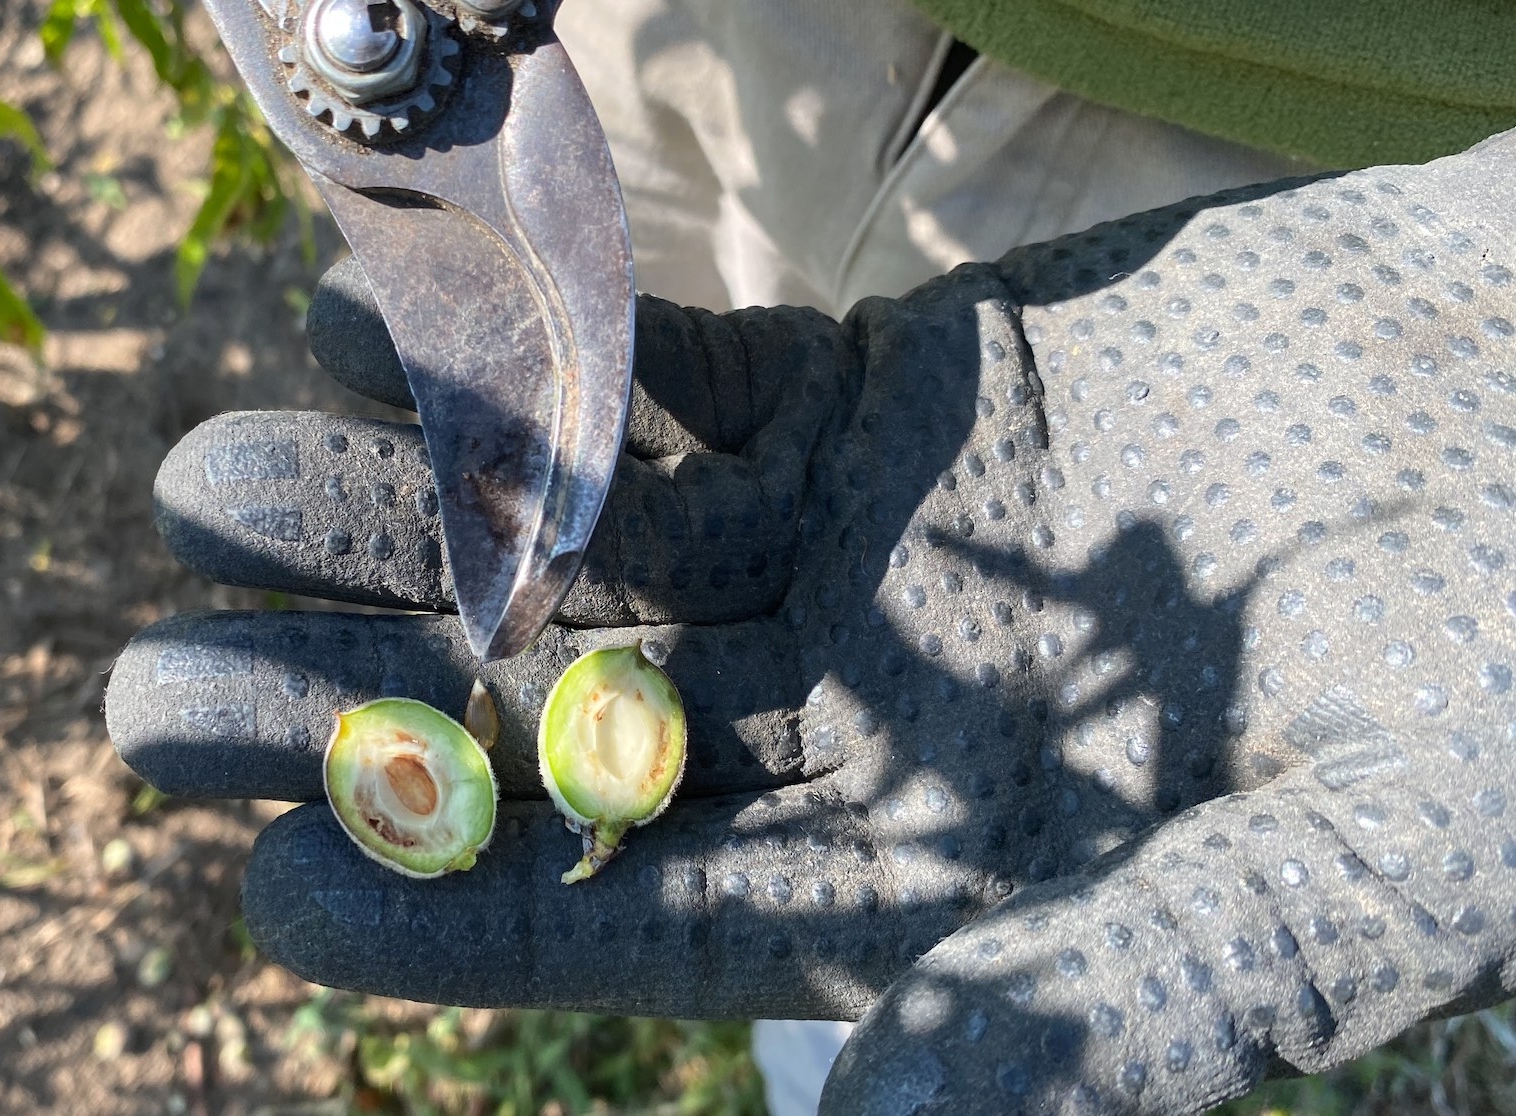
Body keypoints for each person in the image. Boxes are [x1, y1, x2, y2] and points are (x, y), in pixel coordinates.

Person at [107, 2, 1516, 1111]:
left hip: (1312, 196)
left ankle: (809, 1042)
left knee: (883, 867)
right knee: (674, 431)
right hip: (724, 34)